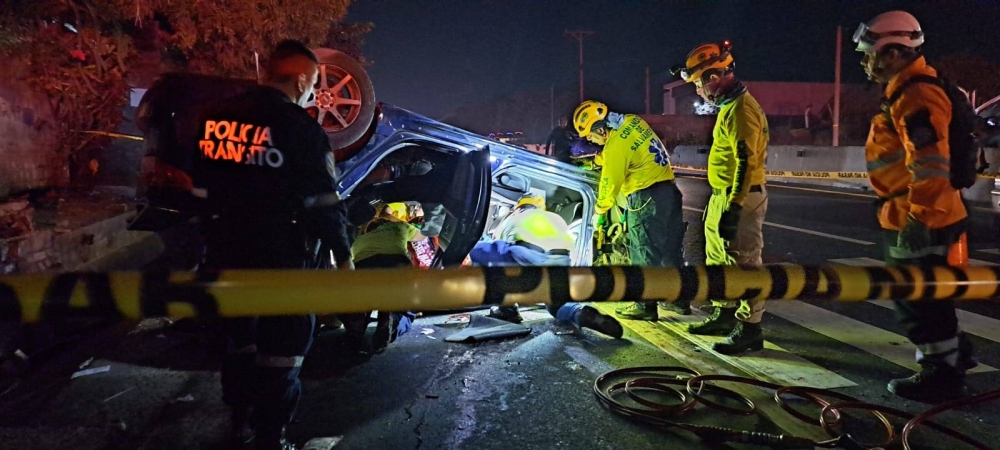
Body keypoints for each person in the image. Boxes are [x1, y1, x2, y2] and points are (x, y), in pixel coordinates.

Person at [192, 40, 354, 450]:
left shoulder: (217, 120)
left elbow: (199, 189)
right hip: (281, 255)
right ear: (300, 78)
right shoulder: (299, 127)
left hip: (225, 251)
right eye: (314, 83)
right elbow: (323, 199)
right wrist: (342, 254)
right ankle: (270, 436)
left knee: (238, 340)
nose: (312, 92)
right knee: (283, 348)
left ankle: (239, 421)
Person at [854, 11, 975, 401]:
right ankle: (953, 356)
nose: (866, 61)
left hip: (923, 215)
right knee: (929, 295)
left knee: (918, 300)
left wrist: (918, 219)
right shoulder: (908, 89)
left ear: (893, 51)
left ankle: (941, 374)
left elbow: (930, 164)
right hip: (922, 211)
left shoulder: (916, 94)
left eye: (871, 53)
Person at [675, 41, 769, 355]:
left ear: (714, 77)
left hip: (738, 197)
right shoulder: (730, 107)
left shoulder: (742, 110)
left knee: (745, 264)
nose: (699, 91)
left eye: (699, 84)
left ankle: (750, 328)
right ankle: (725, 314)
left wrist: (735, 207)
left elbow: (747, 162)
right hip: (722, 195)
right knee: (718, 259)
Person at [571, 100, 688, 321]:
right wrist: (597, 159)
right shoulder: (633, 122)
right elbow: (627, 149)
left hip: (646, 199)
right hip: (669, 192)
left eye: (591, 137)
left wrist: (599, 213)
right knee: (670, 249)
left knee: (644, 250)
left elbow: (609, 184)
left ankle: (645, 306)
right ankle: (679, 300)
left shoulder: (615, 146)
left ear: (602, 129)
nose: (591, 141)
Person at [470, 194, 623, 338]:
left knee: (475, 251)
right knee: (556, 306)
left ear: (518, 208)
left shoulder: (515, 216)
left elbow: (500, 248)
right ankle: (579, 313)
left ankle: (506, 309)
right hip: (561, 260)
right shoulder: (554, 218)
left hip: (527, 254)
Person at [341, 203, 419, 353]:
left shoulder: (359, 240)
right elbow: (423, 236)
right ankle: (392, 318)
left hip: (364, 268)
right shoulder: (400, 227)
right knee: (407, 308)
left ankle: (358, 321)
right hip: (396, 265)